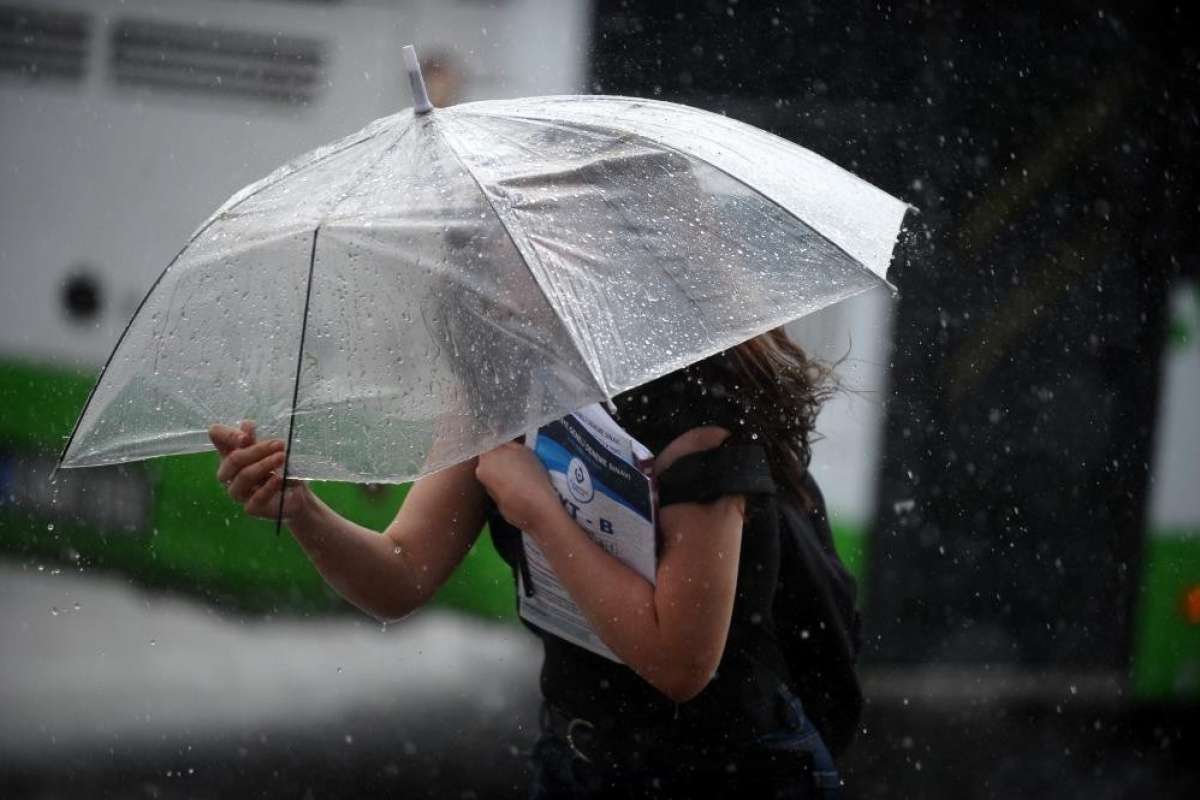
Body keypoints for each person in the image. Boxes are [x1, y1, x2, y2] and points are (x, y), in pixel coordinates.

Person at [209, 328, 846, 799]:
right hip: (577, 761)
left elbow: (680, 663)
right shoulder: (502, 380)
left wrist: (539, 509)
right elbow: (401, 572)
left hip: (727, 775)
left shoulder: (698, 409)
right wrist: (303, 513)